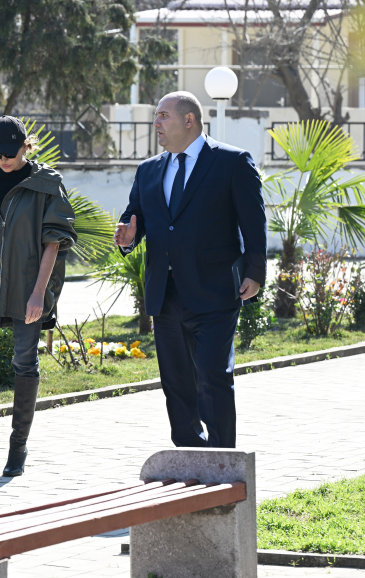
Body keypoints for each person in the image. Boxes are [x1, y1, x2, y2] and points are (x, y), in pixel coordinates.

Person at [114, 91, 266, 449]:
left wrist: (255, 272)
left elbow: (253, 223)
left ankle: (224, 461)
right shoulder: (149, 169)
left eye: (163, 116)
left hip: (214, 291)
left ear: (189, 120)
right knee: (177, 383)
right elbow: (135, 215)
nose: (156, 124)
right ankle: (188, 459)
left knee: (213, 376)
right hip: (164, 294)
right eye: (156, 117)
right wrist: (128, 236)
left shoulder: (232, 162)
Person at [0, 116, 77, 478]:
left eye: (10, 152)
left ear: (27, 146)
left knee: (25, 363)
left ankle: (17, 449)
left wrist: (39, 294)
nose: (3, 160)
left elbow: (53, 242)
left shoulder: (46, 185)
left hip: (28, 288)